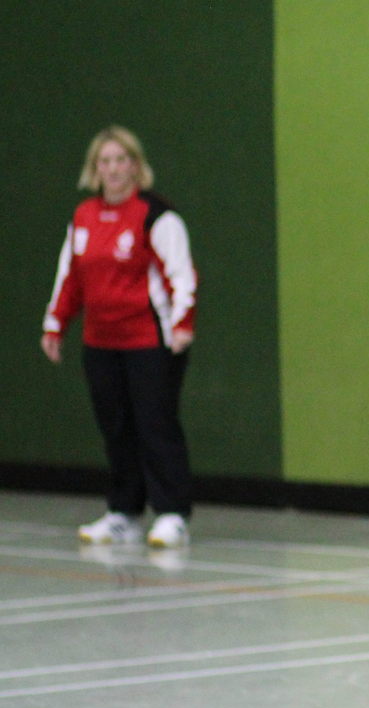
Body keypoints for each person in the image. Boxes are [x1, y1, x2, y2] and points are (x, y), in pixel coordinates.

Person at [41, 125, 197, 549]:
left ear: (135, 166)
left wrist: (182, 324)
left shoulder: (156, 215)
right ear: (95, 169)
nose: (113, 169)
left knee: (155, 425)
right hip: (100, 342)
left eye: (121, 160)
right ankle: (124, 513)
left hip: (150, 340)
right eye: (105, 162)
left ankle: (171, 514)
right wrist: (55, 324)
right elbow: (70, 277)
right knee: (116, 428)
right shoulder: (83, 217)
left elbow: (181, 274)